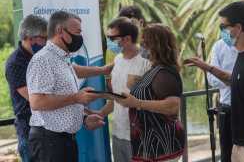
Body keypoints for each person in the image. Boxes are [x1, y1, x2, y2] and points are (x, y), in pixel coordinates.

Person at [185, 1, 244, 162]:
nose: (221, 31)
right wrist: (207, 67)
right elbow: (235, 80)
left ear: (238, 28)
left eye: (224, 27)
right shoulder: (243, 55)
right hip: (242, 143)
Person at [26, 11, 106, 162]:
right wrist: (77, 97)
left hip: (64, 141)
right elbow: (37, 102)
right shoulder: (43, 60)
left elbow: (61, 98)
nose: (80, 37)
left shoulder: (63, 58)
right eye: (77, 32)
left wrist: (84, 118)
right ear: (60, 31)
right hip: (49, 143)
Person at [117, 23, 185, 162]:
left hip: (162, 146)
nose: (140, 46)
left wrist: (136, 103)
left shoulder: (165, 72)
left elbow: (173, 106)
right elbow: (152, 92)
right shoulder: (154, 69)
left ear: (155, 45)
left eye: (144, 42)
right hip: (148, 145)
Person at [98, 17, 151, 162]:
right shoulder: (117, 60)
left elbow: (154, 101)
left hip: (140, 136)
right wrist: (100, 113)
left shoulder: (147, 63)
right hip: (117, 134)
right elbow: (116, 98)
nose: (109, 41)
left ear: (127, 39)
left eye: (112, 38)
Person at [5, 15, 47, 162]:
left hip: (50, 130)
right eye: (43, 38)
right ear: (30, 37)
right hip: (30, 133)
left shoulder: (41, 57)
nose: (46, 42)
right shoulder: (15, 63)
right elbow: (35, 98)